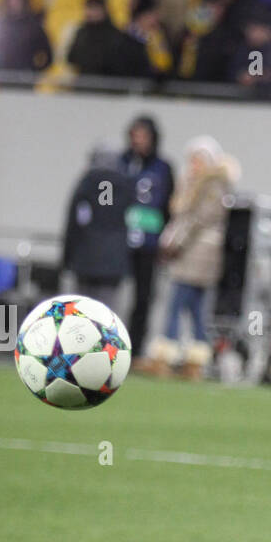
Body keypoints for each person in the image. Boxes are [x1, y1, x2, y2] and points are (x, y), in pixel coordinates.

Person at [142, 136, 238, 380]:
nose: (194, 164)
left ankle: (166, 356)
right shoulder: (195, 184)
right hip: (196, 254)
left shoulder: (211, 185)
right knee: (196, 310)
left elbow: (198, 220)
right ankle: (194, 362)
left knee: (176, 305)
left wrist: (176, 244)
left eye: (198, 160)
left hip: (196, 255)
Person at [120, 116, 175, 360]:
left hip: (149, 244)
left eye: (143, 136)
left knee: (143, 297)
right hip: (121, 241)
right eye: (135, 136)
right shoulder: (122, 163)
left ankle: (135, 347)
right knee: (112, 293)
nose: (139, 141)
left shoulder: (163, 168)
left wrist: (166, 237)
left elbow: (168, 205)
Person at [62, 146, 136, 316]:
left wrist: (67, 259)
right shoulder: (126, 184)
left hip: (85, 258)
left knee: (81, 310)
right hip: (114, 262)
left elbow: (74, 223)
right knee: (106, 313)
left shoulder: (87, 182)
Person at [67, 0, 152, 79]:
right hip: (85, 81)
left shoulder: (116, 35)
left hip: (109, 82)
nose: (89, 13)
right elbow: (72, 57)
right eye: (88, 8)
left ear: (104, 10)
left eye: (94, 8)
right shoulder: (81, 32)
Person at [0, 0, 52, 73]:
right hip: (2, 77)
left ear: (24, 0)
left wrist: (34, 71)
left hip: (24, 79)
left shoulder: (33, 27)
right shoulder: (1, 25)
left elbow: (48, 55)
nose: (14, 3)